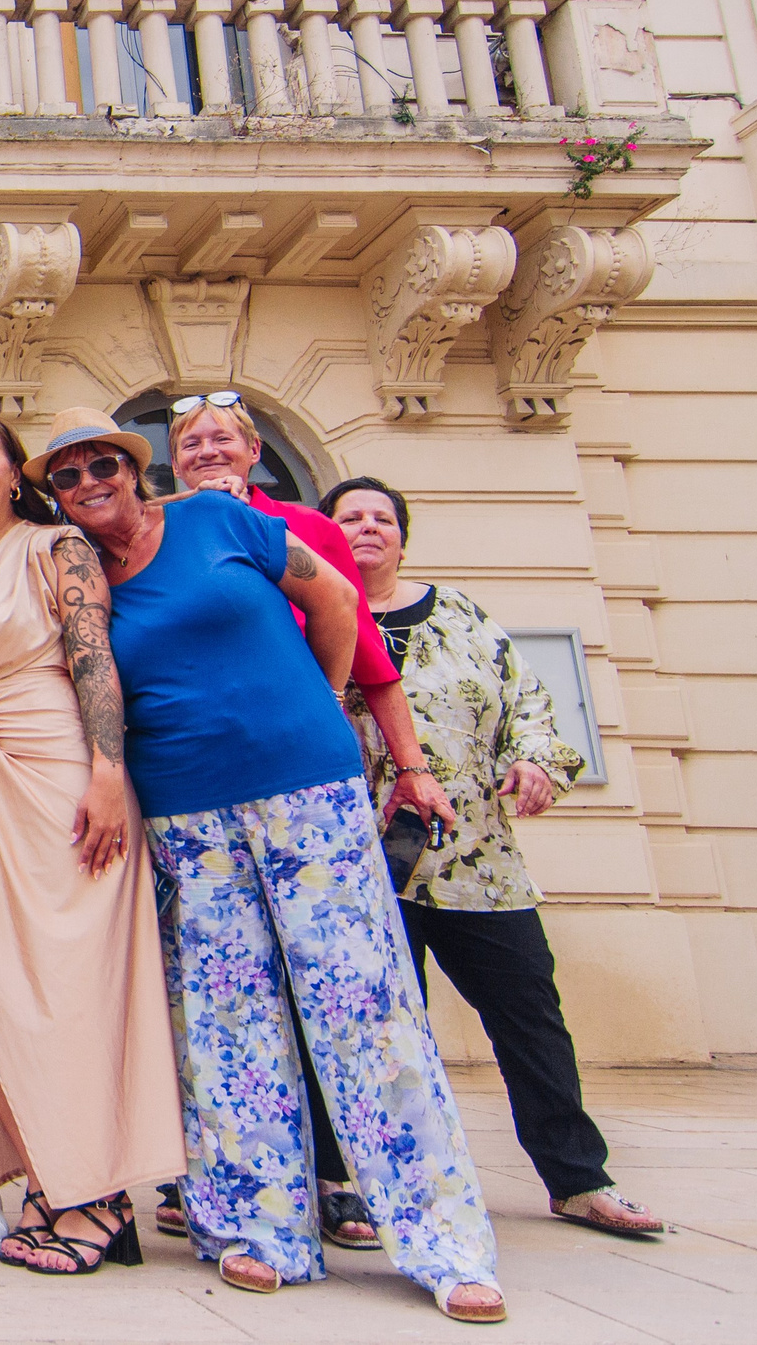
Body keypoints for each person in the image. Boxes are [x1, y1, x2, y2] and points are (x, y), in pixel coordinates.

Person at [38, 406, 506, 1323]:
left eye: (103, 464)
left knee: (363, 1007)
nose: (89, 482)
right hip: (184, 811)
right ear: (54, 494)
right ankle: (259, 1229)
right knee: (227, 1020)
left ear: (134, 467)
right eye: (67, 475)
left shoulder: (216, 519)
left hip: (307, 787)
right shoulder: (82, 578)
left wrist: (318, 702)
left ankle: (443, 1243)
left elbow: (335, 603)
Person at [324, 474, 664, 1239]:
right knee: (373, 1031)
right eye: (350, 518)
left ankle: (579, 1179)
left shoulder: (463, 618)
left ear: (402, 538)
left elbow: (527, 706)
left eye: (382, 518)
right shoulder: (317, 616)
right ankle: (363, 1183)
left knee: (531, 1023)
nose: (368, 527)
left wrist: (537, 761)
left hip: (477, 863)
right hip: (365, 863)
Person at [163, 390, 452, 1250]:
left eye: (222, 438)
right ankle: (220, 1183)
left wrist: (406, 763)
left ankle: (346, 1179)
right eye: (190, 442)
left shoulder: (303, 529)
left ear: (253, 451)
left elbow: (368, 660)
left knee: (336, 986)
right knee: (222, 997)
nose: (207, 451)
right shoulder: (157, 532)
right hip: (194, 794)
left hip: (301, 781)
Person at [0, 413, 185, 1275]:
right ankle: (52, 1176)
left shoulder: (56, 545)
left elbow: (92, 656)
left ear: (13, 473)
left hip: (62, 775)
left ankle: (97, 1196)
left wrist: (107, 774)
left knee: (74, 989)